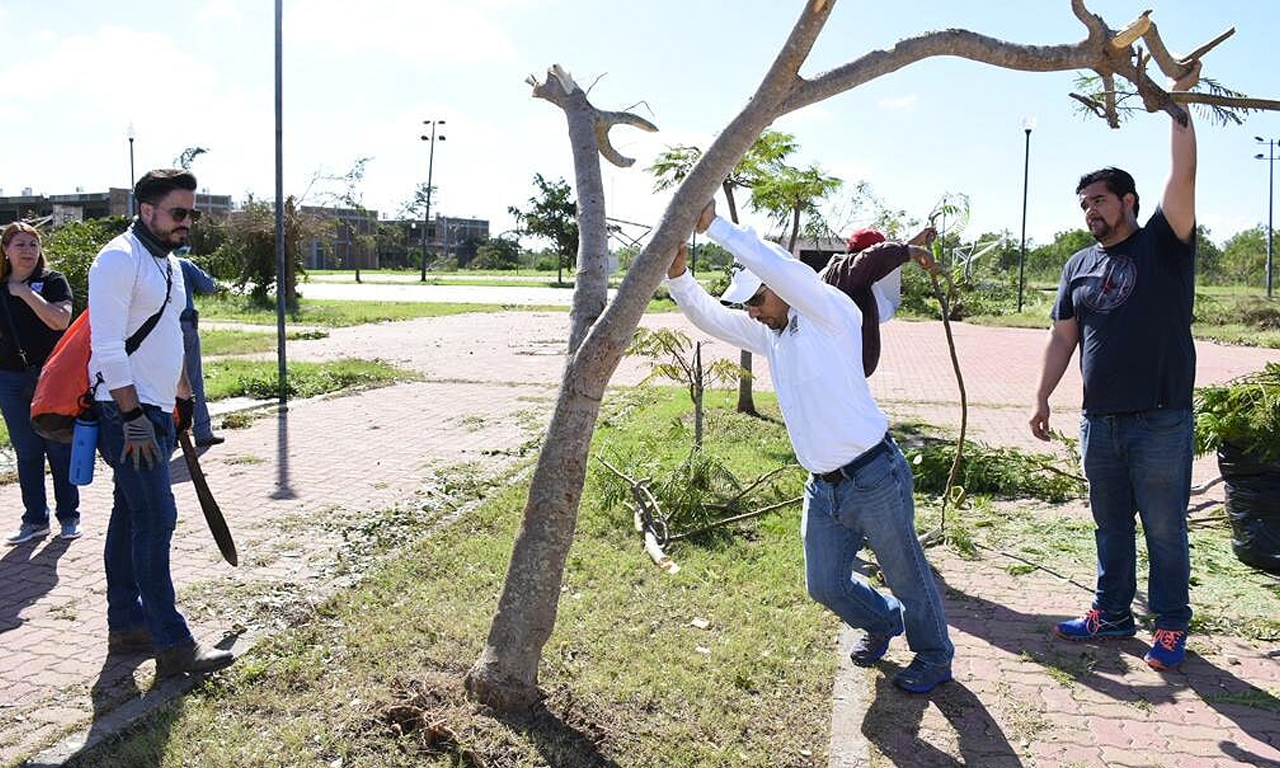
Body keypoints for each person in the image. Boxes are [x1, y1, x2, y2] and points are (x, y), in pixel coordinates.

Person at [666, 200, 954, 693]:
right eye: (749, 304)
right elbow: (713, 319)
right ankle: (883, 622)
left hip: (874, 476)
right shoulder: (774, 335)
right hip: (823, 488)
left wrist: (715, 226)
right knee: (824, 584)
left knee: (906, 573)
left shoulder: (830, 313)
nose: (752, 310)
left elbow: (777, 265)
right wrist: (679, 278)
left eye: (757, 298)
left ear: (783, 288)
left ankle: (934, 656)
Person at [1030, 63, 1202, 671]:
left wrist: (1179, 103)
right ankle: (1113, 612)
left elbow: (1183, 172)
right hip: (1098, 422)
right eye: (1084, 205)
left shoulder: (1164, 243)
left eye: (1099, 200)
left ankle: (1172, 627)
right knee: (1109, 528)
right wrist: (1043, 397)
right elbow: (1063, 337)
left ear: (1128, 200)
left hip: (1160, 419)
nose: (1090, 212)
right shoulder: (1078, 264)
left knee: (1163, 530)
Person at [88, 168, 233, 675]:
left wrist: (184, 397)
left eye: (191, 213)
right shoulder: (117, 259)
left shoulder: (168, 264)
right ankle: (172, 643)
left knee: (130, 514)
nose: (187, 221)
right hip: (124, 412)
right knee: (156, 518)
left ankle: (127, 625)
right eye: (178, 212)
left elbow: (166, 335)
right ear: (146, 210)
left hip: (157, 407)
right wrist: (131, 416)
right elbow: (107, 348)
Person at [0, 223, 80, 545]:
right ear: (5, 249)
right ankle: (35, 519)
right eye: (20, 244)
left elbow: (61, 321)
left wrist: (25, 293)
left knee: (59, 446)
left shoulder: (52, 282)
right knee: (28, 451)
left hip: (53, 377)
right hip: (10, 379)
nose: (28, 251)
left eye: (33, 244)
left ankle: (69, 516)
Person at [821, 226, 942, 377]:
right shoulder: (848, 274)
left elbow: (884, 259)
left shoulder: (845, 274)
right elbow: (881, 257)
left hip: (842, 368)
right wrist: (916, 251)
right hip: (838, 371)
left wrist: (916, 242)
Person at [177, 255, 223, 447]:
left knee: (161, 380)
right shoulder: (182, 263)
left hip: (157, 330)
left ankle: (172, 434)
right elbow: (210, 286)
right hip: (186, 323)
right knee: (193, 378)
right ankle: (202, 431)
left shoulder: (146, 262)